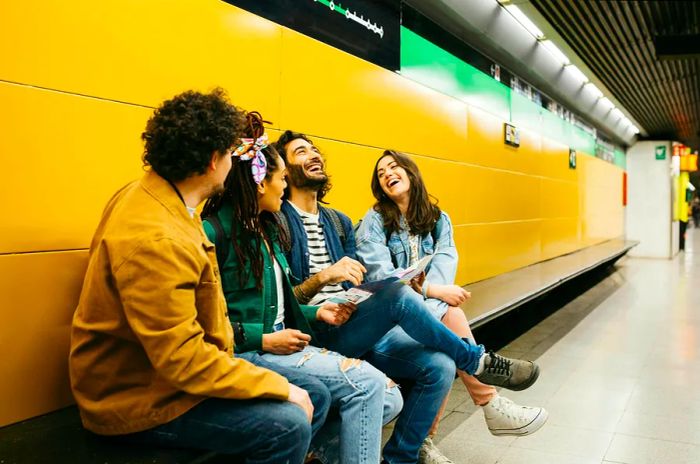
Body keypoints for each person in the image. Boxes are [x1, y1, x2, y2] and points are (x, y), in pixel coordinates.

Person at [69, 90, 331, 464]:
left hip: (165, 378)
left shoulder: (153, 195)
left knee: (314, 397)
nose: (236, 164)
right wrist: (277, 385)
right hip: (137, 401)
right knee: (287, 423)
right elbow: (183, 361)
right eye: (231, 154)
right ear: (213, 161)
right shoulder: (158, 238)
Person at [273, 130, 542, 464]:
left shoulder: (338, 221)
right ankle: (478, 363)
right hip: (317, 328)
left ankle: (403, 455)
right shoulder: (279, 220)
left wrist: (379, 294)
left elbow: (364, 283)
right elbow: (283, 299)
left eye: (315, 150)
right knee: (402, 294)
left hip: (355, 319)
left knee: (440, 366)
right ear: (283, 169)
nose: (314, 154)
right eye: (301, 151)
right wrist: (325, 279)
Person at [201, 112, 403, 464]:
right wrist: (263, 339)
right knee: (369, 386)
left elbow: (280, 304)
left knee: (387, 397)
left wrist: (317, 311)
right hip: (251, 351)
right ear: (261, 183)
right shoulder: (213, 233)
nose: (284, 186)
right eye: (281, 178)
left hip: (280, 344)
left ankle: (317, 452)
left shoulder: (266, 230)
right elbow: (205, 325)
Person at [356, 150, 549, 463]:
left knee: (446, 336)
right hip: (386, 325)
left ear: (410, 172)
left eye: (394, 166)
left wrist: (434, 295)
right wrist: (433, 290)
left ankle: (424, 443)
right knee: (450, 315)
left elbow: (445, 265)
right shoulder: (374, 221)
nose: (387, 174)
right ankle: (488, 403)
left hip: (426, 313)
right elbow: (382, 280)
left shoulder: (437, 219)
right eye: (380, 173)